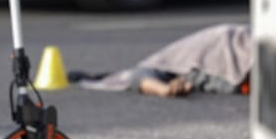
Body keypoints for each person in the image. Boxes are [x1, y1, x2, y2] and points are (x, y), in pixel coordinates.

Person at [70, 23, 253, 97]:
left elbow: (138, 76)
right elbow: (139, 77)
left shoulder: (169, 59)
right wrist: (165, 90)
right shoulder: (165, 65)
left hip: (232, 41)